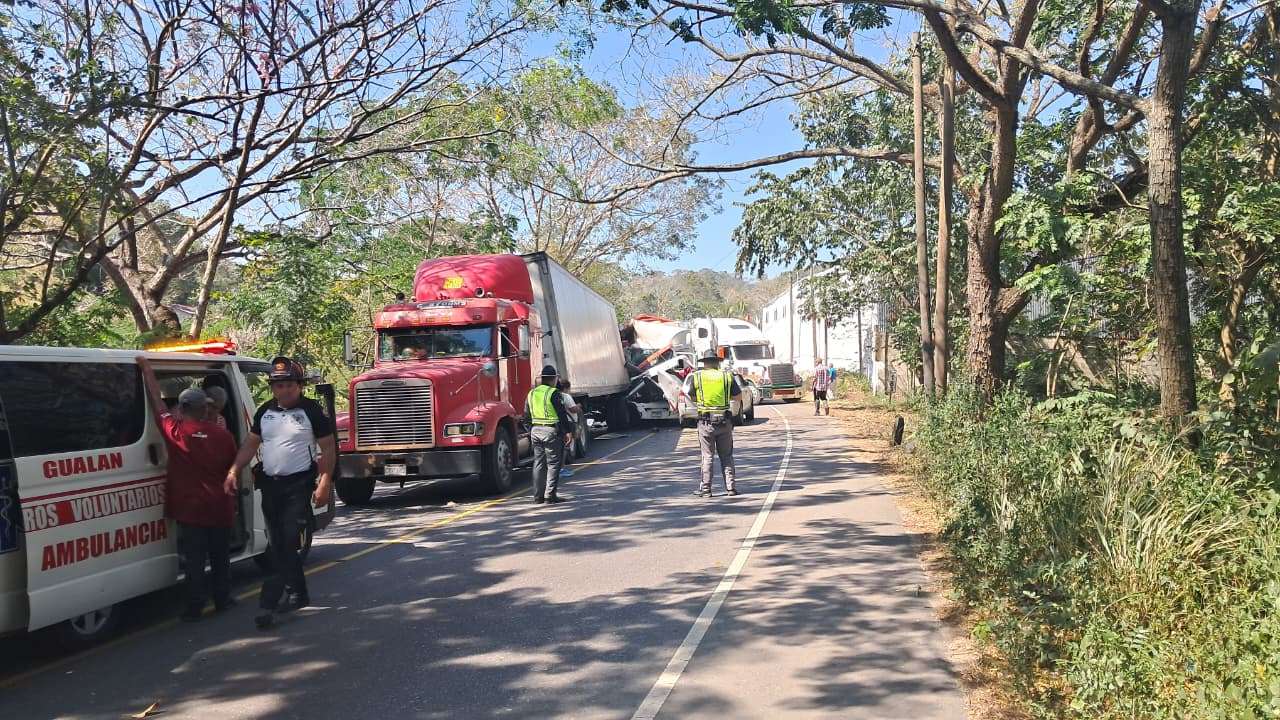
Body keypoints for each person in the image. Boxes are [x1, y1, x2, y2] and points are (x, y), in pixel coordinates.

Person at [224, 356, 335, 630]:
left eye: (288, 385)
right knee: (278, 545)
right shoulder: (265, 413)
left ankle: (268, 604)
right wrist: (234, 471)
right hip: (271, 487)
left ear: (299, 386)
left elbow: (329, 449)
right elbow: (250, 445)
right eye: (278, 385)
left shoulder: (312, 412)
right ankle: (298, 594)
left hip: (298, 486)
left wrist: (324, 482)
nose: (283, 390)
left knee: (286, 545)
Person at [137, 358, 238, 622]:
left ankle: (195, 607)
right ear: (204, 410)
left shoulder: (175, 431)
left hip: (191, 510)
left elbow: (158, 404)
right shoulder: (223, 436)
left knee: (195, 561)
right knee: (220, 558)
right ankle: (223, 600)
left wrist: (147, 370)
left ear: (182, 408)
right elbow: (234, 466)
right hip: (220, 507)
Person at [682, 350, 742, 497]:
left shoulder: (697, 377)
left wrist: (702, 402)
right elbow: (738, 395)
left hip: (706, 423)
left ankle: (706, 489)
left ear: (705, 363)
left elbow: (690, 394)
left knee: (707, 456)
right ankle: (731, 488)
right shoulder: (727, 376)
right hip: (724, 421)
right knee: (726, 456)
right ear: (717, 362)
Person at [523, 366, 571, 504]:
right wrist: (567, 432)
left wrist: (531, 429)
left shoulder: (531, 393)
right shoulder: (553, 393)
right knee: (553, 464)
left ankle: (538, 497)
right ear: (554, 379)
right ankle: (550, 495)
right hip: (551, 432)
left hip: (535, 431)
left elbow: (526, 415)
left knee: (538, 463)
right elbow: (562, 414)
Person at [557, 380, 581, 478]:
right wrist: (579, 406)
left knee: (561, 446)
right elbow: (572, 409)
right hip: (569, 423)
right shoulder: (566, 396)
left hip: (559, 423)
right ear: (567, 388)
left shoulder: (557, 395)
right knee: (565, 447)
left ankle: (558, 468)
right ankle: (561, 469)